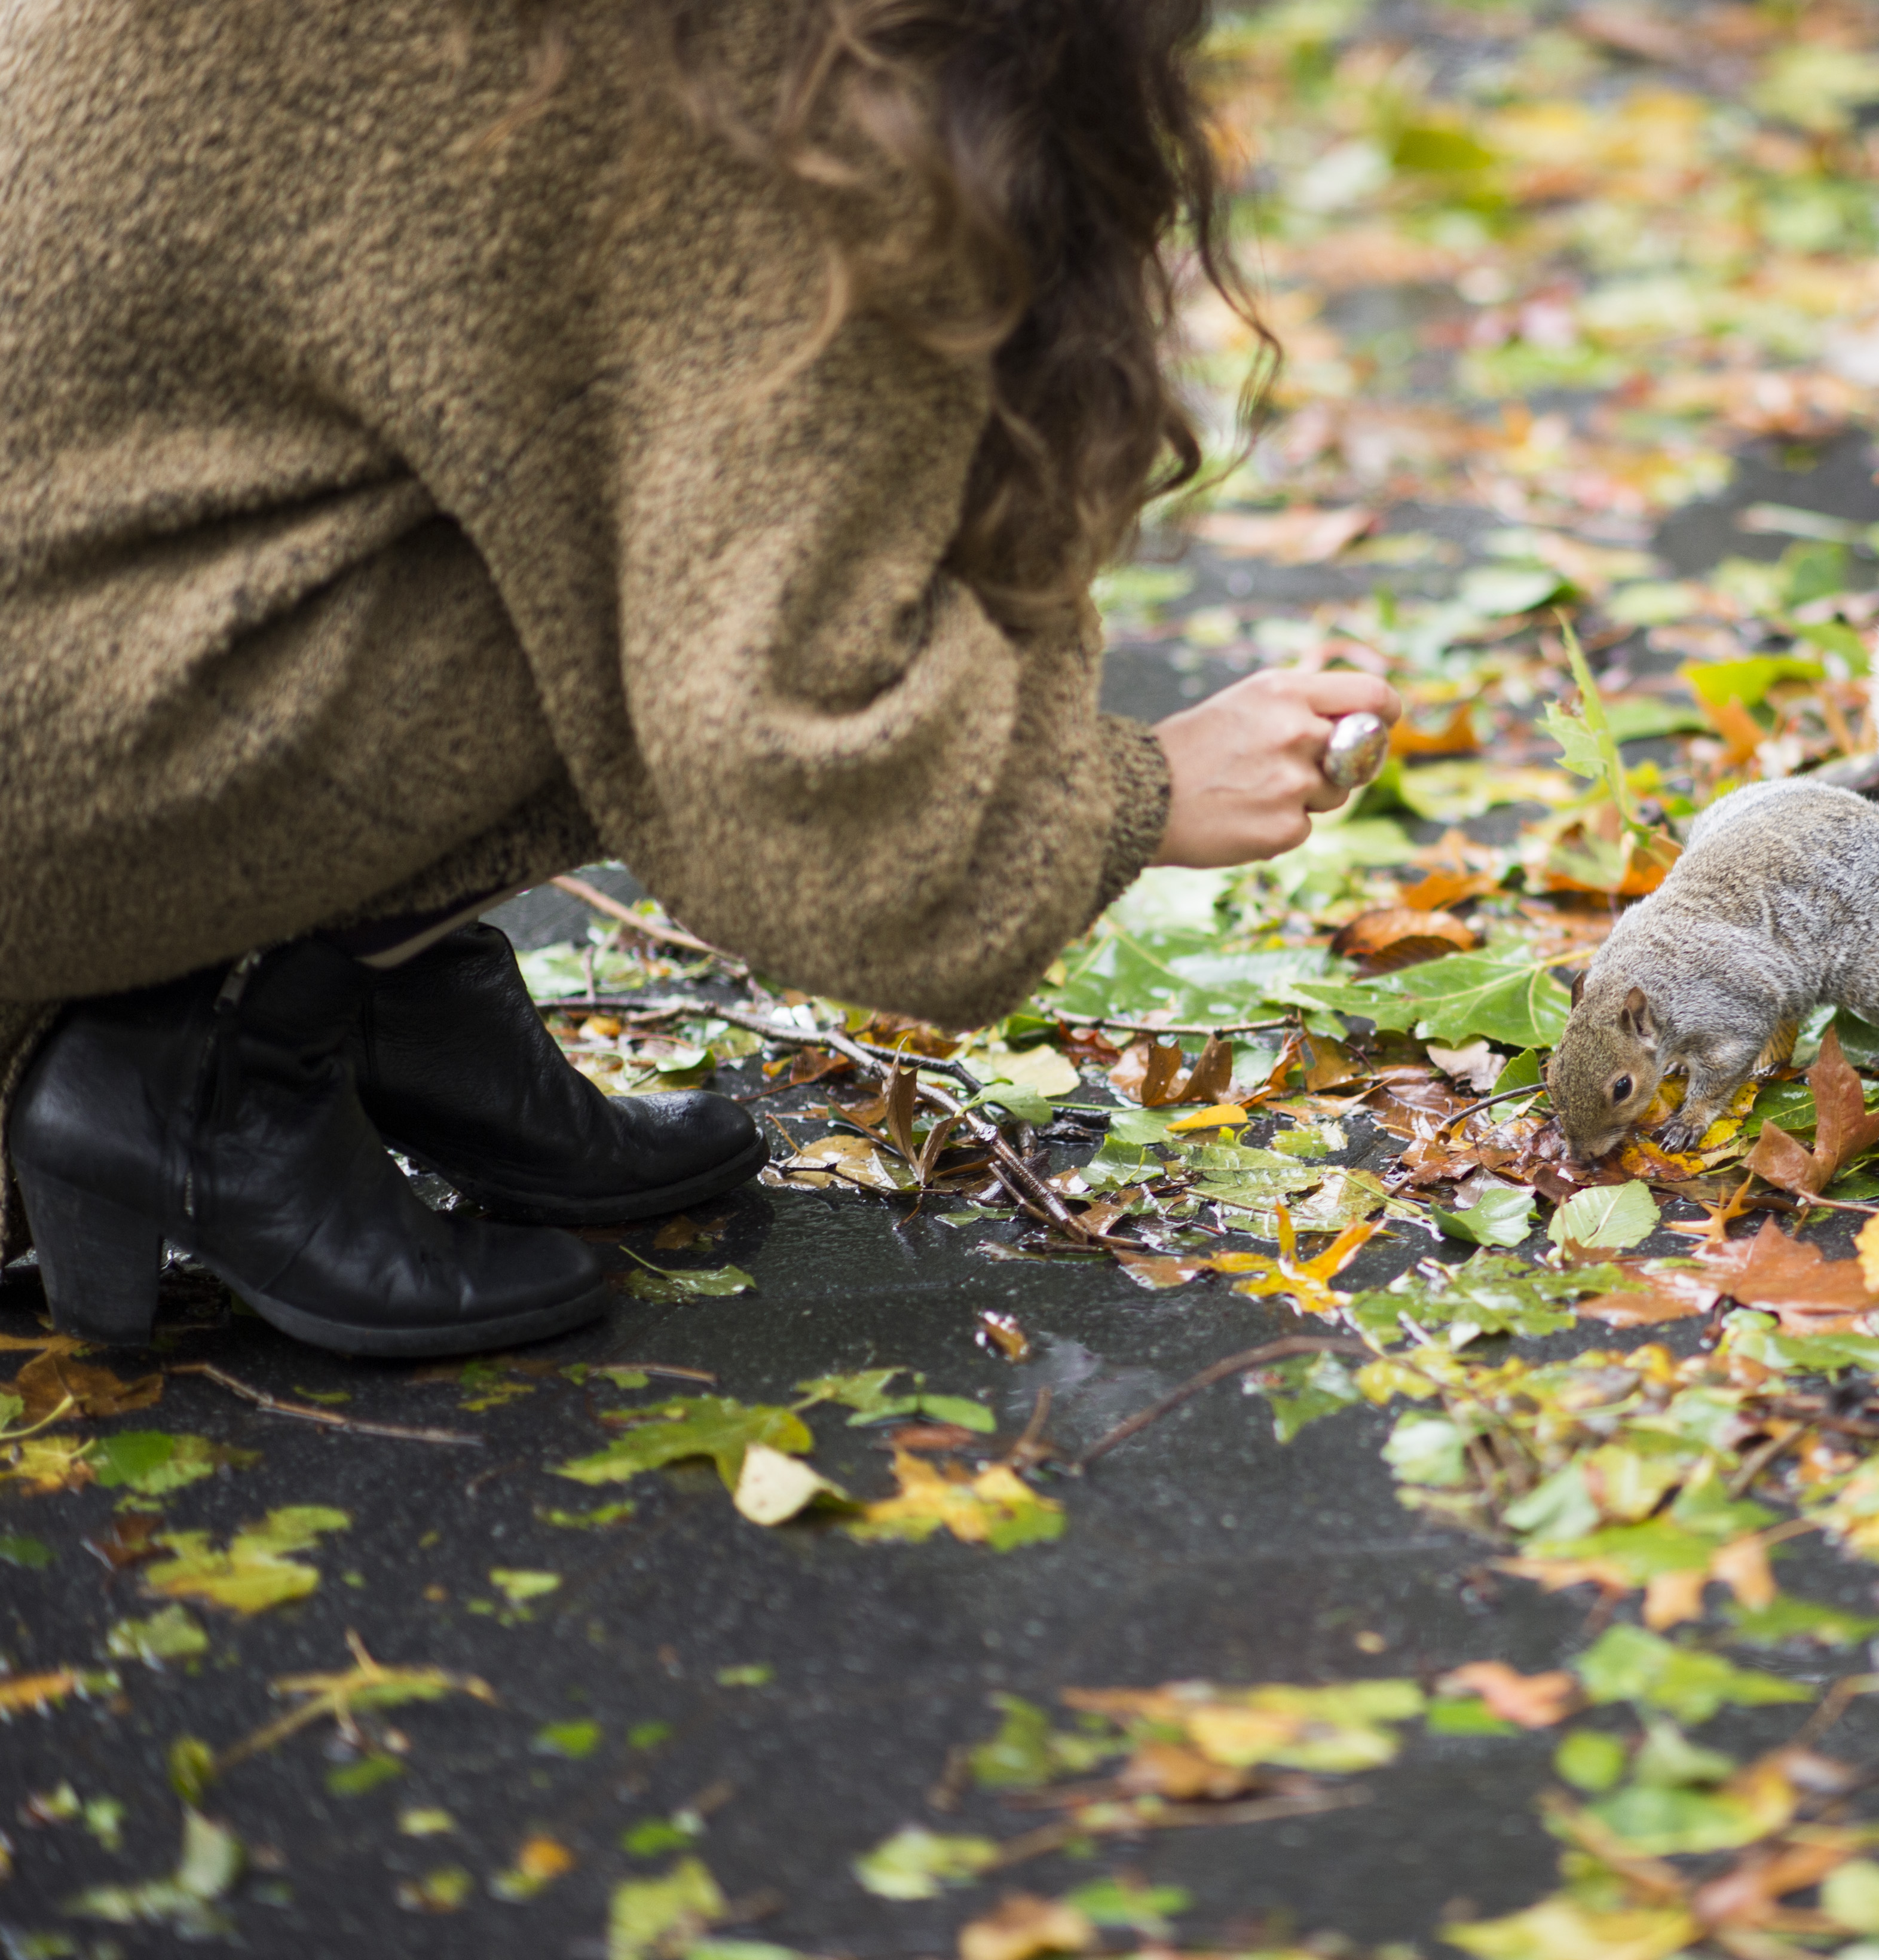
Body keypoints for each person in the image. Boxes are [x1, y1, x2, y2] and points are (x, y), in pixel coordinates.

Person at [0, 0, 1399, 1359]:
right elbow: (805, 777)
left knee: (575, 474)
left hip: (67, 639)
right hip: (51, 758)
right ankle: (200, 1076)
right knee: (661, 558)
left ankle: (374, 994)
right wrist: (1130, 794)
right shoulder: (760, 72)